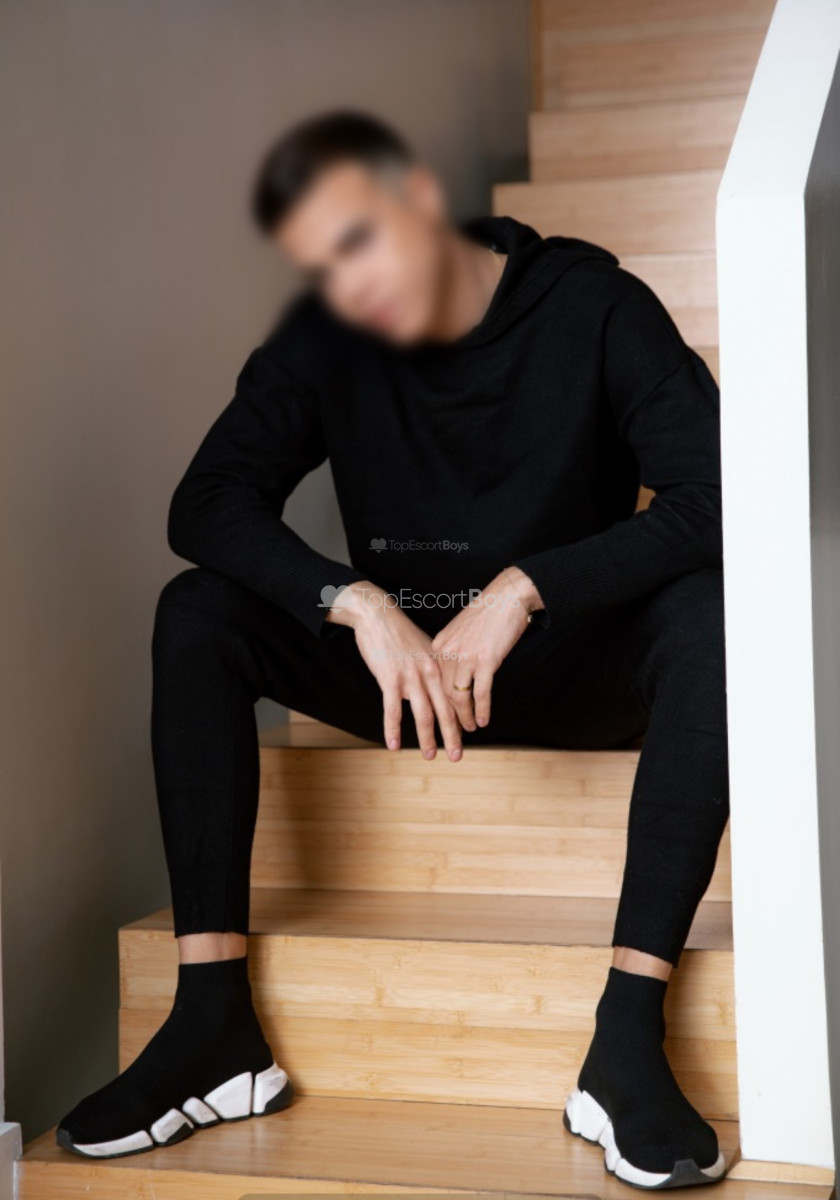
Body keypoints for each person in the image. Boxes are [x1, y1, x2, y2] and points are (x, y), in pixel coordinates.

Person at [57, 111, 729, 1190]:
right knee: (198, 610)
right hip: (406, 681)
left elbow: (717, 494)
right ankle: (212, 1023)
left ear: (418, 200)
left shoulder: (595, 306)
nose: (349, 285)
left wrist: (526, 588)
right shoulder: (333, 331)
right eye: (322, 264)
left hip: (574, 667)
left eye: (359, 242)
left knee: (709, 611)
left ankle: (627, 1036)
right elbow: (207, 501)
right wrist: (357, 603)